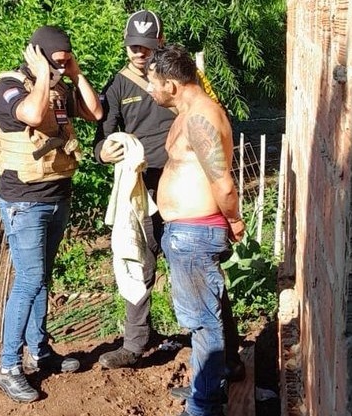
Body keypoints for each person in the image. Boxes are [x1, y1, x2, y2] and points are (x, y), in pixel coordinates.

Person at [93, 10, 245, 384]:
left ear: (159, 46)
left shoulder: (184, 89)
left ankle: (223, 360)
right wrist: (103, 152)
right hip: (144, 190)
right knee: (138, 264)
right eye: (133, 47)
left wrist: (232, 216)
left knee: (202, 281)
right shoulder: (120, 85)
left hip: (192, 205)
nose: (139, 54)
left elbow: (215, 153)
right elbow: (102, 132)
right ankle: (136, 341)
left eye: (146, 47)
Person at [0, 25, 103, 402]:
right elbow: (34, 116)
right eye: (55, 62)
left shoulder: (59, 87)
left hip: (57, 195)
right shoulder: (9, 87)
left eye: (64, 61)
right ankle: (8, 365)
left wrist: (75, 74)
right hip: (24, 200)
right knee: (29, 279)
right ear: (35, 56)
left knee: (42, 278)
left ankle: (40, 351)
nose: (59, 68)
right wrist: (41, 75)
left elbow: (95, 112)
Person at [146, 43, 246, 416]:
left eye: (152, 82)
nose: (149, 89)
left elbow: (223, 183)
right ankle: (208, 387)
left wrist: (234, 220)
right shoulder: (186, 112)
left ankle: (203, 406)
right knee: (207, 314)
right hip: (185, 233)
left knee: (203, 321)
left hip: (196, 233)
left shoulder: (203, 116)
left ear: (171, 84)